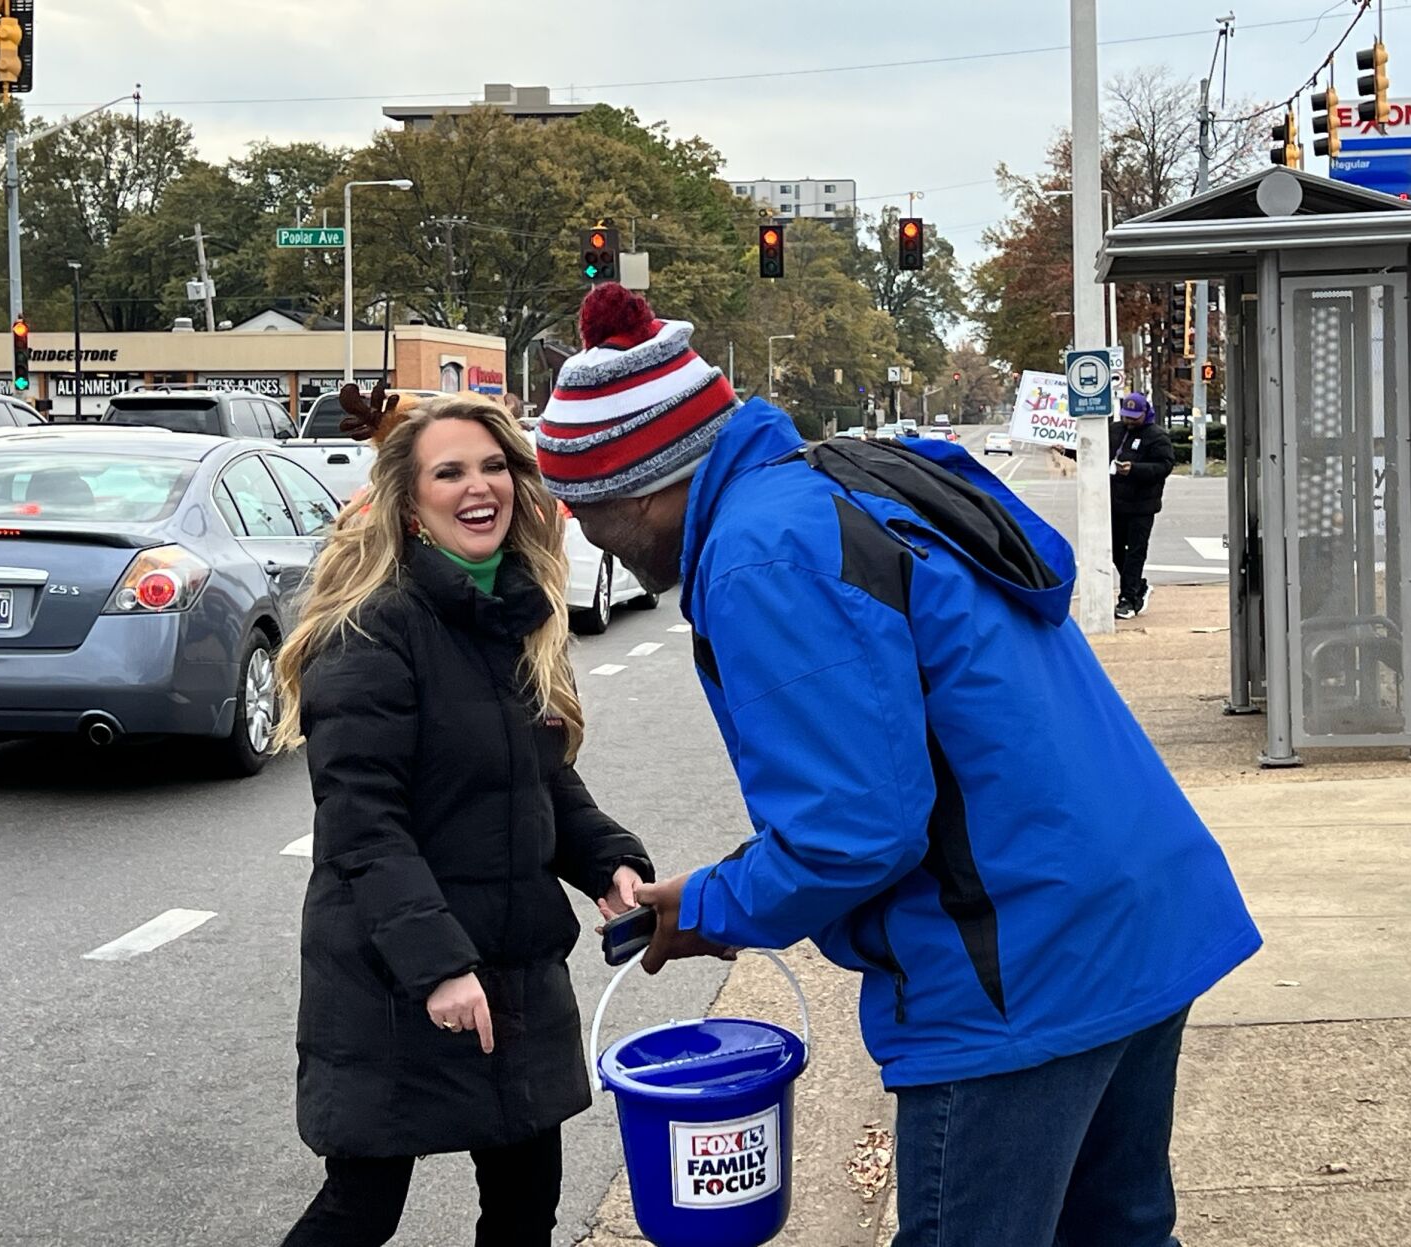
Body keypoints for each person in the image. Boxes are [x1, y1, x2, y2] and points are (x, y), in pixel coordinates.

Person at [535, 284, 1260, 1247]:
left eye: (588, 511)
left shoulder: (762, 554)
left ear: (646, 485)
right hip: (1138, 912)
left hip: (1017, 963)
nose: (588, 538)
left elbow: (855, 831)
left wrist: (705, 907)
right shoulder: (855, 477)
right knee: (1119, 1233)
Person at [272, 393, 654, 1247]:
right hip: (396, 977)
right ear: (411, 503)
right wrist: (440, 965)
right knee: (360, 1209)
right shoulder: (371, 631)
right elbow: (363, 825)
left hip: (513, 970)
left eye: (493, 467)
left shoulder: (511, 613)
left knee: (525, 1206)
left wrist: (608, 863)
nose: (478, 487)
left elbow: (538, 780)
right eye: (450, 472)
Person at [1109, 391, 1176, 619]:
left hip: (1142, 505)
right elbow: (1095, 453)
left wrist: (1135, 470)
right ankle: (1139, 586)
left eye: (1134, 417)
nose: (1129, 421)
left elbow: (1165, 465)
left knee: (1135, 552)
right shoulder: (1115, 430)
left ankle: (1127, 599)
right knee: (1116, 550)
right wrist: (1068, 451)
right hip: (1115, 502)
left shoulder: (1156, 436)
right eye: (1126, 416)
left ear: (1145, 414)